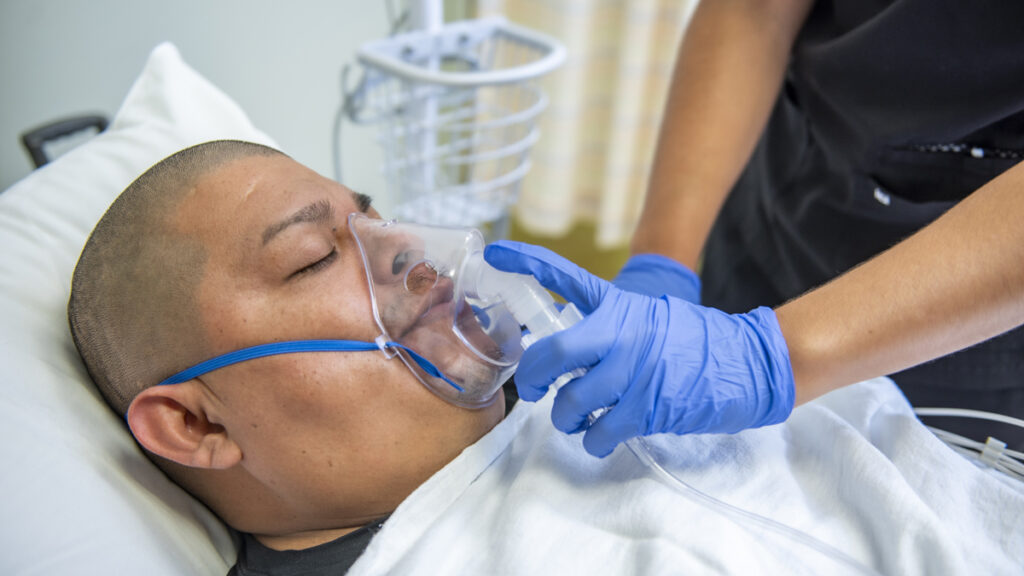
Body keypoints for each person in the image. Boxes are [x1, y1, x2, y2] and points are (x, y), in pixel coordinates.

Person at [485, 0, 1024, 455]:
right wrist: (662, 260)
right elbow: (753, 11)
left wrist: (765, 358)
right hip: (789, 200)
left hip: (979, 308)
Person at [68, 140, 506, 573]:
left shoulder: (559, 393)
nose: (407, 245)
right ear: (196, 425)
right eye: (315, 258)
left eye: (376, 222)